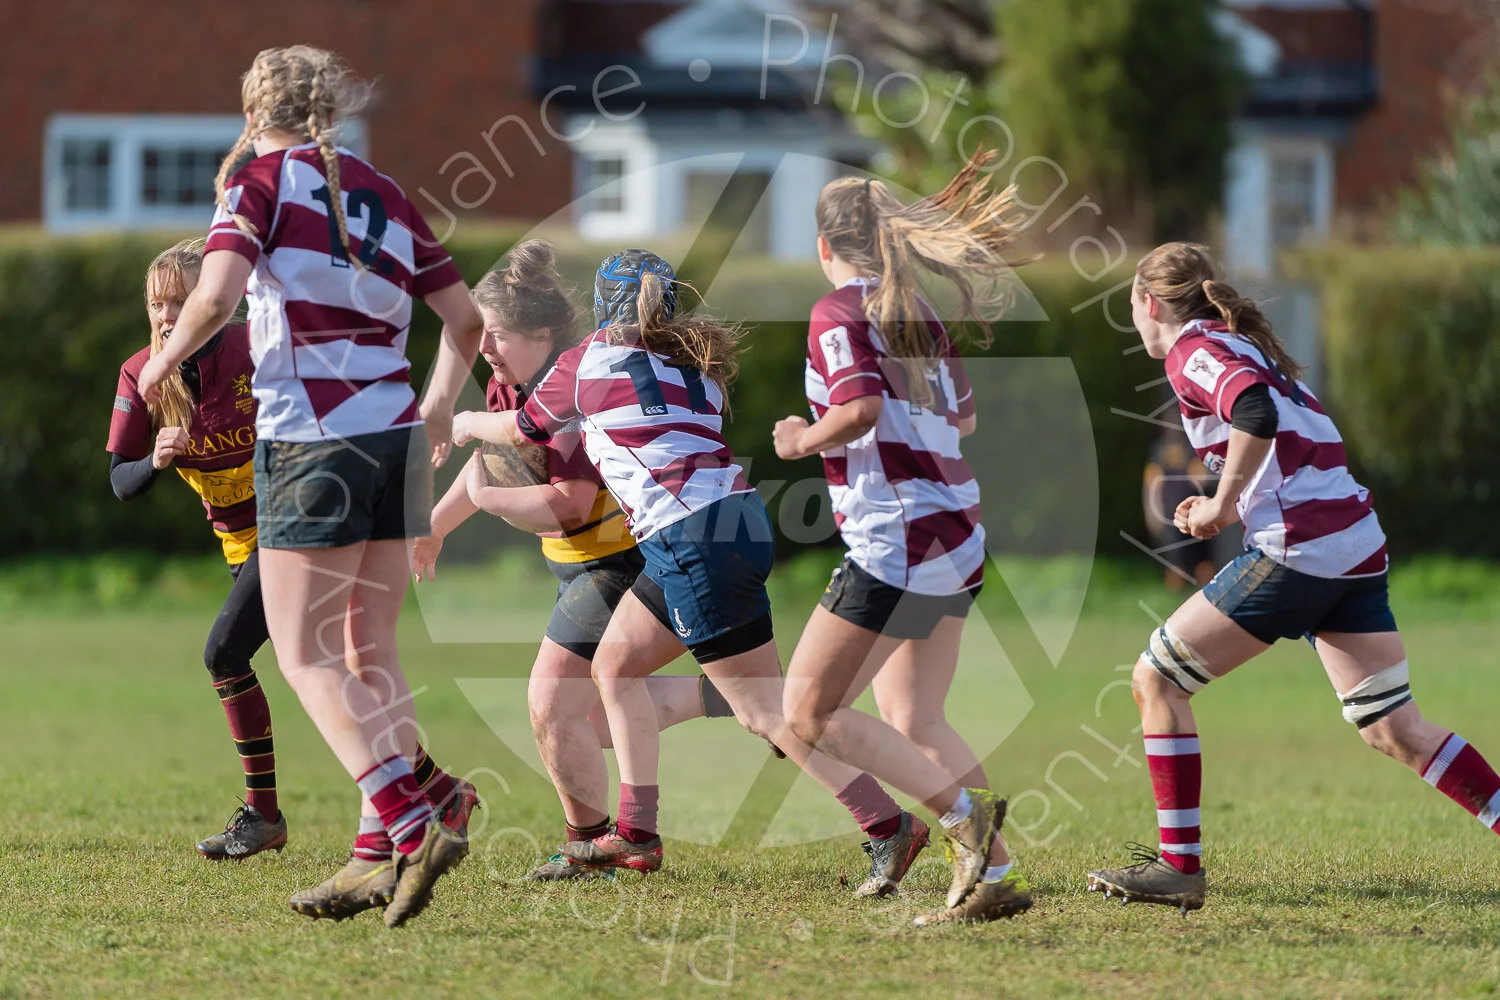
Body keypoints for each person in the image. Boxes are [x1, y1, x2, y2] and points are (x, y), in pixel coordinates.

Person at [135, 45, 484, 927]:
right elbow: (467, 320)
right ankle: (375, 852)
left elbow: (213, 299)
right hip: (397, 437)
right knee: (370, 653)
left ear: (254, 109)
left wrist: (162, 363)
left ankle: (413, 821)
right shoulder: (385, 189)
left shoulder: (257, 182)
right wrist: (440, 408)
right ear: (330, 107)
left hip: (316, 445)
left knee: (305, 656)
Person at [460, 250, 917, 888]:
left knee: (764, 708)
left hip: (689, 536)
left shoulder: (585, 359)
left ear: (603, 303)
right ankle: (637, 832)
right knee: (615, 668)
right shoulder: (694, 364)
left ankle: (887, 824)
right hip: (732, 521)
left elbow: (523, 428)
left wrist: (464, 423)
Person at [1086, 242, 1500, 915]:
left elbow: (1256, 416)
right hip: (1352, 544)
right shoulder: (1240, 348)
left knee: (1155, 679)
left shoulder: (1192, 352)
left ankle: (1178, 868)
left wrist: (1221, 505)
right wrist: (1223, 496)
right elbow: (1275, 435)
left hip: (1300, 550)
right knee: (1393, 727)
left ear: (1145, 302)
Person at [415, 240, 745, 879]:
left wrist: (487, 502)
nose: (484, 349)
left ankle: (591, 840)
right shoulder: (510, 384)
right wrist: (436, 527)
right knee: (590, 716)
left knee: (550, 705)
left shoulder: (575, 388)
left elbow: (567, 505)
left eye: (498, 335)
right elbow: (493, 462)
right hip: (586, 565)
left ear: (541, 335)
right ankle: (725, 700)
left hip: (621, 564)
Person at [772, 158, 1033, 925]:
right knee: (915, 717)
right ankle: (998, 874)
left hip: (896, 541)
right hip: (956, 531)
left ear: (826, 247)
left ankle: (964, 824)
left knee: (806, 715)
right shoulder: (918, 311)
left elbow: (854, 410)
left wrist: (797, 441)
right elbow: (967, 422)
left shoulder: (837, 310)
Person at [107, 238, 287, 860]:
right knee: (324, 666)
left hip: (295, 528)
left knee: (225, 653)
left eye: (180, 300)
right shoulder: (142, 373)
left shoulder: (254, 350)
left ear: (216, 302)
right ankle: (433, 788)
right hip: (242, 546)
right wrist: (153, 461)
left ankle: (263, 814)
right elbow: (119, 481)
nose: (165, 314)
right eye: (157, 302)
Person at [1143, 423, 1216, 590]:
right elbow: (1151, 485)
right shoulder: (1159, 448)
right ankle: (1178, 600)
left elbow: (1202, 478)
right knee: (1177, 560)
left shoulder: (1191, 446)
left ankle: (1205, 598)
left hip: (1192, 510)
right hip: (1174, 513)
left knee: (1202, 557)